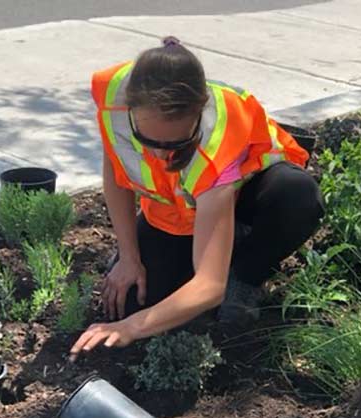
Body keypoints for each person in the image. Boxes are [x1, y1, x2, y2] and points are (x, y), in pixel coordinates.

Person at [69, 36, 323, 359]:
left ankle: (245, 273)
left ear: (197, 117)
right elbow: (117, 167)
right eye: (148, 140)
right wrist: (129, 256)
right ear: (130, 109)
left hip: (250, 193)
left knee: (298, 197)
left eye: (176, 144)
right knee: (136, 300)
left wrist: (131, 328)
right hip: (178, 211)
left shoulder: (215, 143)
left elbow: (208, 285)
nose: (161, 154)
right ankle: (213, 248)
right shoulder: (113, 99)